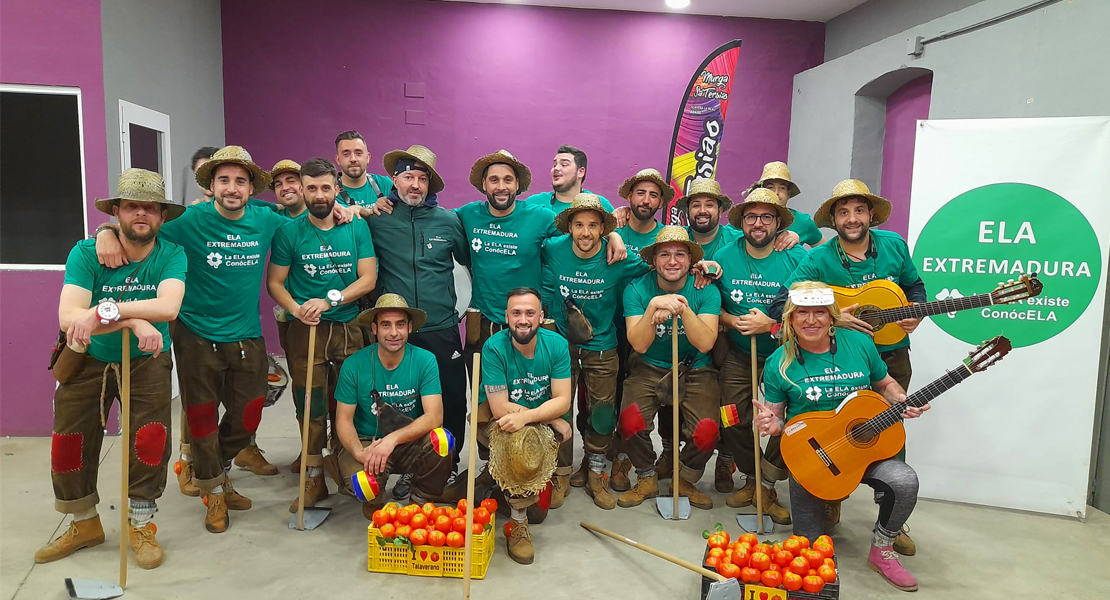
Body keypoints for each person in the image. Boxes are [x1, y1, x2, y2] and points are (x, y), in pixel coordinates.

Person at [36, 169, 186, 569]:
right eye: (132, 206)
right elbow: (70, 317)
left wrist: (109, 311)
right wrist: (133, 322)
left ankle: (140, 525)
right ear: (116, 211)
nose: (141, 213)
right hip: (87, 358)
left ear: (162, 216)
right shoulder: (86, 253)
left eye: (150, 208)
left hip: (146, 360)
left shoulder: (171, 254)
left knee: (150, 440)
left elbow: (168, 308)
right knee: (69, 441)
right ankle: (85, 524)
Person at [769, 179, 924, 553]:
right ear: (834, 220)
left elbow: (915, 286)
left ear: (871, 214)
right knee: (834, 427)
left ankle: (891, 518)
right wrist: (833, 320)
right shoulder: (818, 259)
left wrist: (916, 311)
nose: (851, 219)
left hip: (888, 357)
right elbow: (780, 306)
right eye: (843, 212)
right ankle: (829, 495)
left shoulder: (894, 247)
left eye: (858, 210)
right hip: (835, 353)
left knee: (888, 436)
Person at [755, 282, 927, 592]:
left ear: (832, 317)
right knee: (807, 548)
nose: (811, 321)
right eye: (803, 313)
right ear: (790, 320)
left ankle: (882, 549)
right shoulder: (778, 362)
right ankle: (817, 523)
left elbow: (885, 383)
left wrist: (900, 397)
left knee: (904, 480)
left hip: (864, 452)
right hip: (813, 457)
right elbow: (778, 418)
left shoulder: (859, 343)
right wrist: (771, 424)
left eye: (820, 312)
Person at [268, 158, 378, 512]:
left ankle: (354, 468)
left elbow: (368, 279)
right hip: (308, 330)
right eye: (311, 187)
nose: (318, 194)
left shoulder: (355, 226)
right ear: (301, 188)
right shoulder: (289, 232)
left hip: (349, 327)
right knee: (309, 406)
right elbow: (275, 283)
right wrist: (297, 308)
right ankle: (313, 477)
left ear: (336, 189)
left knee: (352, 402)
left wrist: (331, 300)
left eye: (326, 187)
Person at [365, 144, 471, 481]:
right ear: (393, 181)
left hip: (441, 326)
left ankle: (448, 466)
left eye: (422, 178)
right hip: (397, 329)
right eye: (408, 176)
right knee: (402, 403)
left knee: (452, 400)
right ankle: (412, 467)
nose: (415, 184)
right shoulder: (377, 219)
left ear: (430, 185)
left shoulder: (449, 220)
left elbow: (472, 264)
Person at [542, 194, 650, 510]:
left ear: (602, 228)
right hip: (562, 343)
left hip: (603, 344)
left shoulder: (618, 256)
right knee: (558, 409)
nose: (586, 233)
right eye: (579, 225)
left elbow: (656, 267)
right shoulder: (553, 250)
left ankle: (595, 473)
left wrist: (700, 270)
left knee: (602, 412)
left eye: (593, 225)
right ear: (569, 228)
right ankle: (561, 473)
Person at [712, 188, 806, 522]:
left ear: (778, 222)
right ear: (741, 221)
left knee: (791, 420)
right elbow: (712, 307)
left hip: (788, 354)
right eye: (751, 217)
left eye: (767, 217)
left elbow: (811, 308)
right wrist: (733, 321)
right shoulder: (724, 257)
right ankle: (751, 478)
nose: (758, 223)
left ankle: (768, 482)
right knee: (730, 414)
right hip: (740, 354)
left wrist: (771, 322)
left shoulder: (797, 258)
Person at [617, 226, 721, 510]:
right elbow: (638, 344)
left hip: (695, 367)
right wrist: (652, 308)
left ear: (690, 261)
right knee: (629, 422)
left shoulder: (706, 290)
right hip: (649, 365)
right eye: (664, 255)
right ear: (654, 260)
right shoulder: (637, 290)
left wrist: (682, 308)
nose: (672, 261)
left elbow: (705, 343)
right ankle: (646, 476)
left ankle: (684, 478)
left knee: (708, 431)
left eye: (679, 254)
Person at [330, 294, 452, 517]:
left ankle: (421, 497)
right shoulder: (353, 364)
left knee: (442, 440)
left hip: (407, 441)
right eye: (386, 325)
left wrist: (391, 440)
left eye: (400, 325)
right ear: (374, 328)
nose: (394, 333)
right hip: (368, 442)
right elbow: (343, 420)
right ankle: (369, 493)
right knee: (364, 487)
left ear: (410, 327)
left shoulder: (425, 360)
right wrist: (360, 453)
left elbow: (435, 417)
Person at [477, 287, 572, 564]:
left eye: (530, 313)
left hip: (531, 418)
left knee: (542, 511)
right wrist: (545, 416)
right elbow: (498, 407)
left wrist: (533, 416)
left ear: (541, 317)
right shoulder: (494, 347)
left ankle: (491, 479)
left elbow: (564, 400)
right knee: (518, 438)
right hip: (503, 420)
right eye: (516, 313)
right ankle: (518, 525)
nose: (523, 319)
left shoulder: (556, 344)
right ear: (506, 317)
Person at [609, 168, 670, 491]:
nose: (646, 200)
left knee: (642, 398)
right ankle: (612, 456)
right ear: (629, 198)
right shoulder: (613, 226)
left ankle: (629, 458)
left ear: (661, 201)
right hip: (611, 322)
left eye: (653, 194)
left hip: (652, 327)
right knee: (610, 395)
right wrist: (612, 229)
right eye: (640, 193)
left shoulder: (667, 236)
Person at [746, 161, 824, 249]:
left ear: (788, 194)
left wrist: (796, 240)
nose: (776, 192)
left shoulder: (803, 221)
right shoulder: (747, 217)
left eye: (782, 188)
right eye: (770, 187)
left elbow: (825, 252)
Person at [522, 145, 615, 213]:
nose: (556, 168)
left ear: (581, 172)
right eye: (554, 165)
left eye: (564, 164)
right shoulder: (534, 203)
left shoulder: (600, 204)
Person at [334, 130, 395, 214]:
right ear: (338, 160)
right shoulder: (329, 191)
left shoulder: (385, 184)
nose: (353, 159)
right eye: (346, 154)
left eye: (358, 153)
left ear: (368, 157)